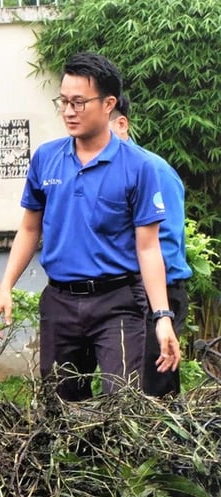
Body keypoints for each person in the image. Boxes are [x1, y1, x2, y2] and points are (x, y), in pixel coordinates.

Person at [0, 52, 179, 401]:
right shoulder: (46, 157)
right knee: (61, 406)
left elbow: (148, 248)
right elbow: (30, 229)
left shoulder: (138, 167)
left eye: (79, 102)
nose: (69, 111)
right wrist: (5, 287)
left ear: (109, 104)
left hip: (118, 303)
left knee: (121, 403)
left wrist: (162, 316)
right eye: (63, 102)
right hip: (60, 302)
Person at [108, 95, 190, 396]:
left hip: (160, 291)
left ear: (121, 124)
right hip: (122, 293)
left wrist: (154, 304)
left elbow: (164, 244)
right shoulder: (105, 172)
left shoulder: (154, 170)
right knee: (123, 387)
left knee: (154, 390)